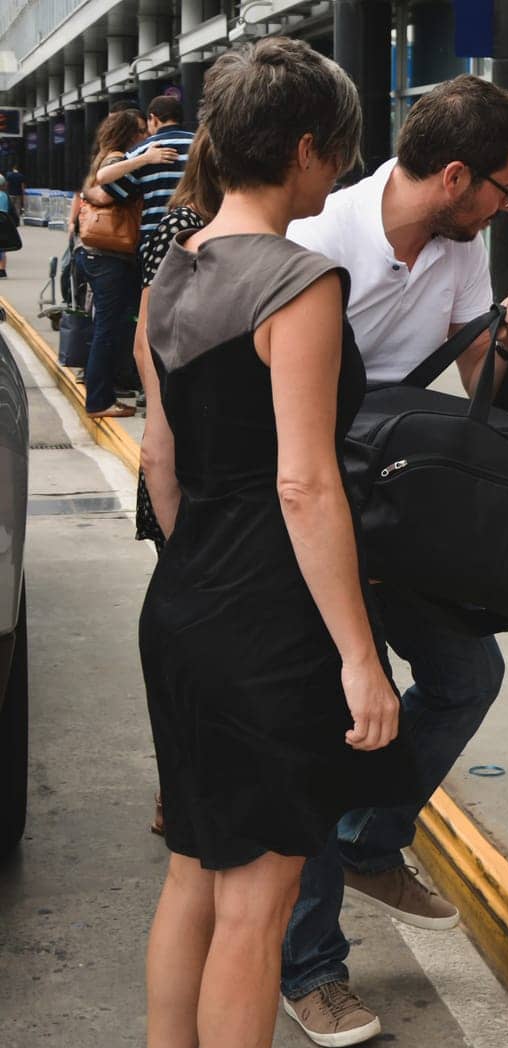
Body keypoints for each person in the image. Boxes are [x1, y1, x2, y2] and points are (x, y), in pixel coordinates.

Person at [138, 38, 414, 1048]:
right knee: (259, 902)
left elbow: (160, 461)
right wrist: (356, 653)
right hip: (270, 614)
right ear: (301, 147)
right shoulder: (299, 282)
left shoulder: (171, 268)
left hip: (182, 601)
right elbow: (306, 481)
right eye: (335, 152)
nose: (338, 171)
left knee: (192, 875)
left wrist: (198, 577)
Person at [276, 73, 508, 1048]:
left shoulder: (456, 244)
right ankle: (309, 966)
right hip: (313, 503)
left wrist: (507, 341)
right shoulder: (320, 239)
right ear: (455, 174)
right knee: (332, 723)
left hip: (402, 499)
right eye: (506, 188)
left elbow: (482, 393)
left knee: (467, 670)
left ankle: (371, 838)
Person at [132, 126, 223, 838]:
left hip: (198, 456)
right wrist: (161, 431)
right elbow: (149, 334)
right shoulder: (187, 226)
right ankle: (179, 789)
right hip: (187, 457)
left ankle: (191, 786)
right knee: (189, 634)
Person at [76, 110, 176, 417]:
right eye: (141, 130)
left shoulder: (113, 154)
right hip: (109, 254)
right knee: (108, 326)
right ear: (130, 133)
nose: (147, 134)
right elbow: (101, 192)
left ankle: (110, 388)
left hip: (104, 254)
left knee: (113, 324)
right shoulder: (117, 157)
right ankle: (99, 400)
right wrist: (145, 160)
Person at [105, 93, 194, 257]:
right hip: (196, 235)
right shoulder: (201, 144)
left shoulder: (142, 151)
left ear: (153, 119)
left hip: (154, 238)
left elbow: (113, 189)